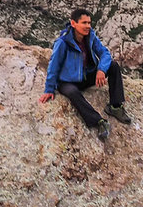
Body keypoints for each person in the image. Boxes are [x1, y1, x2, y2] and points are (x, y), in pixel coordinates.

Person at [39, 9, 131, 140]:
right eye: (84, 23)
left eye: (89, 23)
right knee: (72, 92)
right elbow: (54, 66)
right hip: (67, 81)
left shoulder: (90, 37)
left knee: (114, 66)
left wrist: (101, 70)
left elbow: (104, 53)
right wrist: (49, 89)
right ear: (73, 23)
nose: (88, 26)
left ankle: (115, 106)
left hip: (85, 76)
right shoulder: (63, 42)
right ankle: (98, 121)